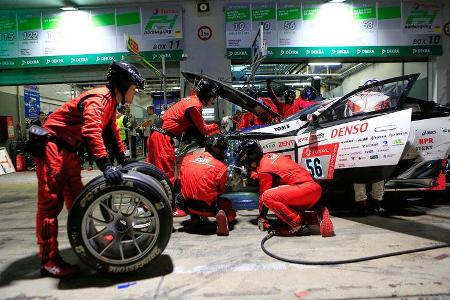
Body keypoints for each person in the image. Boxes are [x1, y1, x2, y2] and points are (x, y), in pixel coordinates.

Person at [32, 61, 144, 277]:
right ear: (123, 84)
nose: (135, 92)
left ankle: (90, 242)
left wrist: (123, 159)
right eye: (134, 87)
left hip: (69, 151)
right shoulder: (99, 98)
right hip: (52, 148)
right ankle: (48, 261)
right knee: (49, 206)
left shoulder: (111, 101)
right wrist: (105, 165)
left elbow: (110, 132)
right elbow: (92, 130)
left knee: (78, 203)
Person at [146, 79, 220, 217]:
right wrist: (219, 125)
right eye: (212, 97)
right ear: (206, 94)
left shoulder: (189, 100)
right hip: (162, 137)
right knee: (166, 175)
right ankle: (170, 209)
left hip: (155, 134)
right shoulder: (194, 106)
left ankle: (147, 204)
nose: (213, 100)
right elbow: (203, 129)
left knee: (153, 173)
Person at [235, 140, 334, 237]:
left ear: (249, 158)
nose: (245, 165)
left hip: (305, 189)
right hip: (313, 189)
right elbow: (266, 176)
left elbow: (264, 194)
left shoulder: (264, 169)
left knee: (267, 197)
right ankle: (316, 216)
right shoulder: (269, 157)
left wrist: (262, 217)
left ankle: (297, 225)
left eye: (244, 162)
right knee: (280, 205)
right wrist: (248, 174)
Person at [179, 135, 236, 236]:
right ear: (220, 150)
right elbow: (221, 190)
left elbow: (181, 180)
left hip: (186, 204)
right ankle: (221, 215)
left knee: (190, 190)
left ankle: (194, 219)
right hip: (208, 208)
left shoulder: (187, 159)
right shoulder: (221, 167)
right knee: (228, 203)